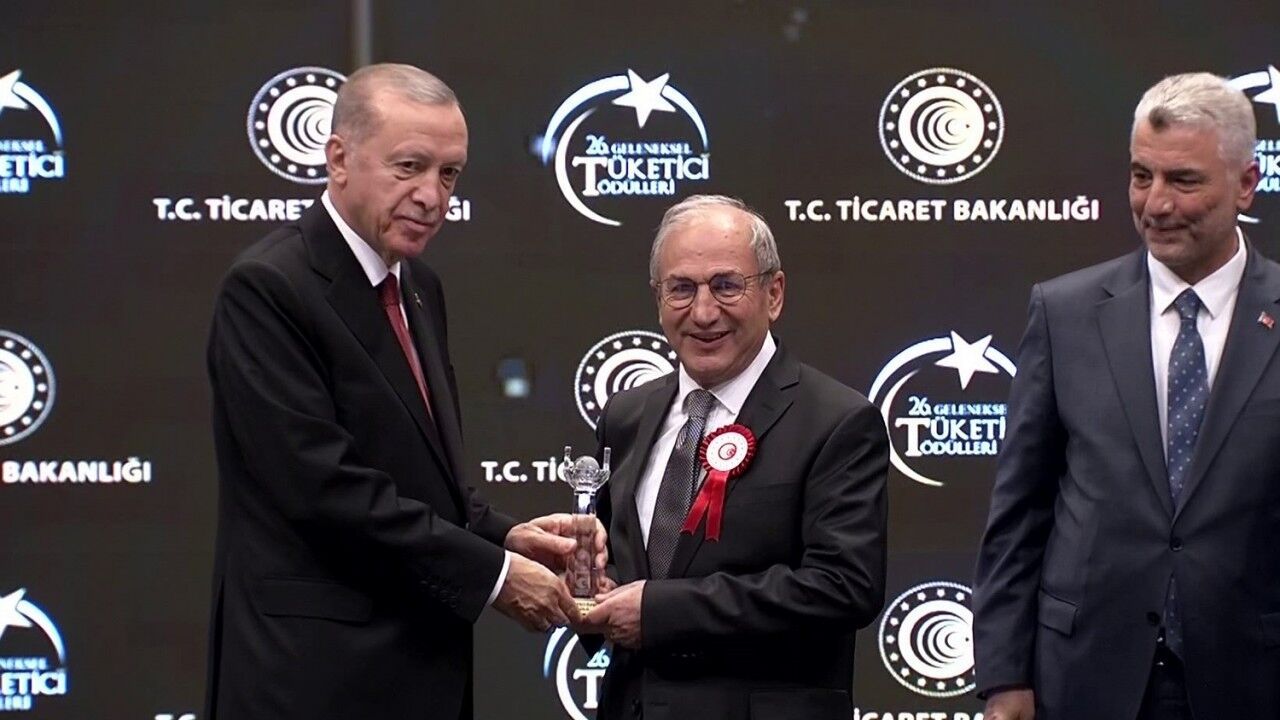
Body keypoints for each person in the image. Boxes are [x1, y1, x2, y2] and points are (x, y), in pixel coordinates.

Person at [204, 63, 598, 720]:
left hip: (421, 674)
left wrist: (506, 538)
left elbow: (420, 476)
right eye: (409, 167)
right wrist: (493, 576)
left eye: (449, 174)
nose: (432, 195)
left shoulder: (418, 287)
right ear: (338, 159)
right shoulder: (269, 289)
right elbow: (323, 490)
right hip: (314, 683)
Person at [973, 72, 1277, 720]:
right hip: (1085, 678)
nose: (1156, 204)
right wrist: (1003, 676)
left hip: (1252, 678)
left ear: (1246, 184)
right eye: (1142, 176)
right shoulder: (1064, 312)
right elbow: (1019, 513)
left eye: (1183, 181)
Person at [579, 195, 889, 720]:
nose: (703, 312)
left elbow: (843, 587)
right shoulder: (626, 415)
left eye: (726, 285)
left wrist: (659, 610)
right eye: (681, 288)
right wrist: (589, 588)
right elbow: (618, 563)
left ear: (774, 294)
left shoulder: (837, 421)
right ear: (658, 299)